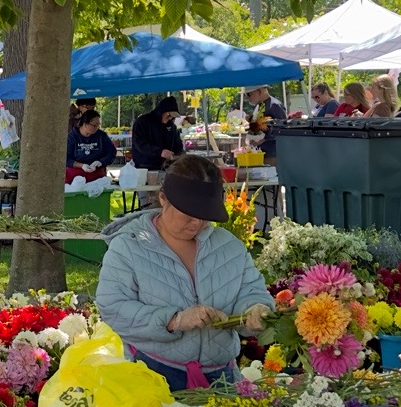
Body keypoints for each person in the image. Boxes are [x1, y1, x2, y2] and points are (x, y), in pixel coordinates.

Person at [95, 154, 271, 389]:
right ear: (163, 198)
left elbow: (251, 291)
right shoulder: (129, 245)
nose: (196, 224)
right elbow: (113, 308)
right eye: (188, 215)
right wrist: (175, 320)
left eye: (204, 217)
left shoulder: (229, 247)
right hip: (151, 375)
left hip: (221, 378)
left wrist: (255, 309)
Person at [129, 95, 186, 171]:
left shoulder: (172, 126)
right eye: (168, 115)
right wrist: (160, 152)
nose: (170, 118)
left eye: (172, 117)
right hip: (144, 167)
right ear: (161, 111)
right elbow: (139, 144)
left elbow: (177, 144)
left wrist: (180, 155)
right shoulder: (142, 122)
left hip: (165, 167)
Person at [65, 109, 117, 180]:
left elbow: (112, 152)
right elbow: (65, 158)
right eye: (94, 125)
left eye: (98, 125)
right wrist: (81, 165)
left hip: (98, 175)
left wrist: (101, 162)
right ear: (85, 124)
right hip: (75, 177)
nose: (97, 128)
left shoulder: (102, 136)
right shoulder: (72, 137)